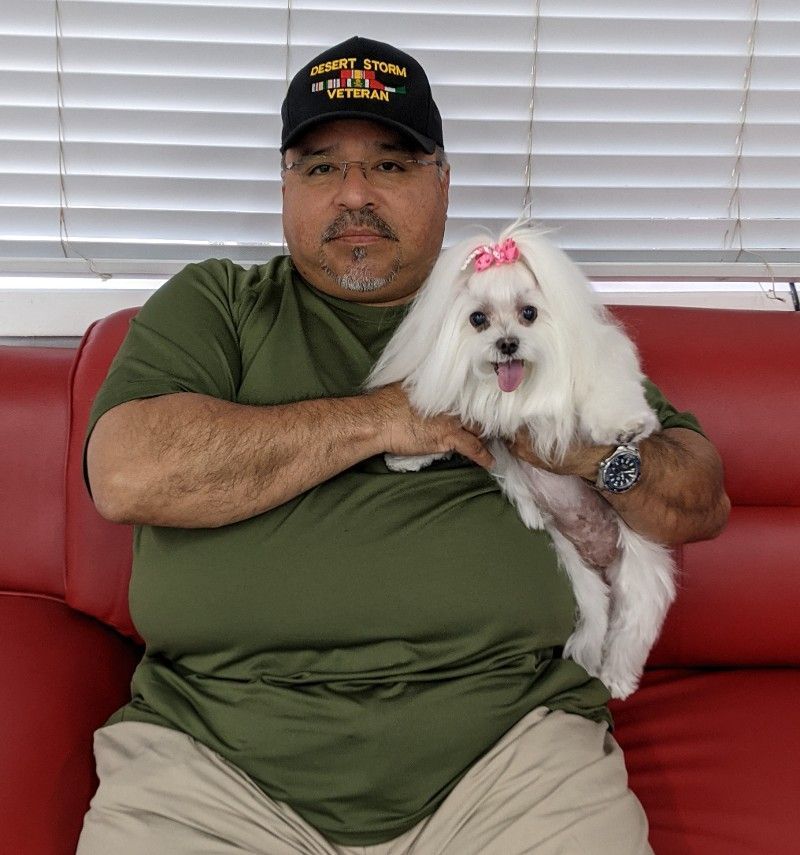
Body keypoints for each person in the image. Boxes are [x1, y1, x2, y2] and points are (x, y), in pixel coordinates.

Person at [77, 36, 730, 855]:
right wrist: (390, 417)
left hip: (510, 764)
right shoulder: (217, 305)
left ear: (442, 182)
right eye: (320, 168)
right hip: (213, 767)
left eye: (390, 165)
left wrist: (595, 457)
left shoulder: (519, 307)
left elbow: (699, 497)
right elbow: (128, 471)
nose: (354, 194)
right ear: (285, 186)